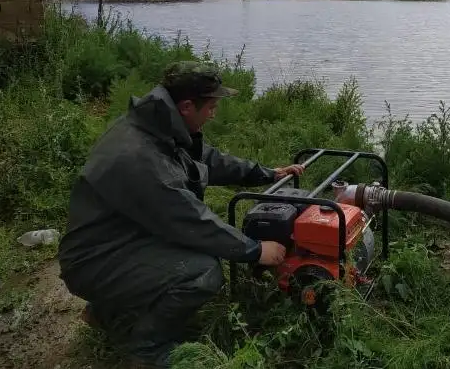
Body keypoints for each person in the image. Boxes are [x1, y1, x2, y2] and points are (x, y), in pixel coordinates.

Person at [57, 60, 305, 368]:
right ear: (187, 105)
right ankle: (147, 351)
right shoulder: (141, 157)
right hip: (93, 259)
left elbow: (208, 160)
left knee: (188, 253)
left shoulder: (159, 126)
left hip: (119, 239)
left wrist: (265, 174)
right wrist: (255, 251)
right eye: (211, 107)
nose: (214, 114)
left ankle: (107, 313)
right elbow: (190, 221)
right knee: (201, 271)